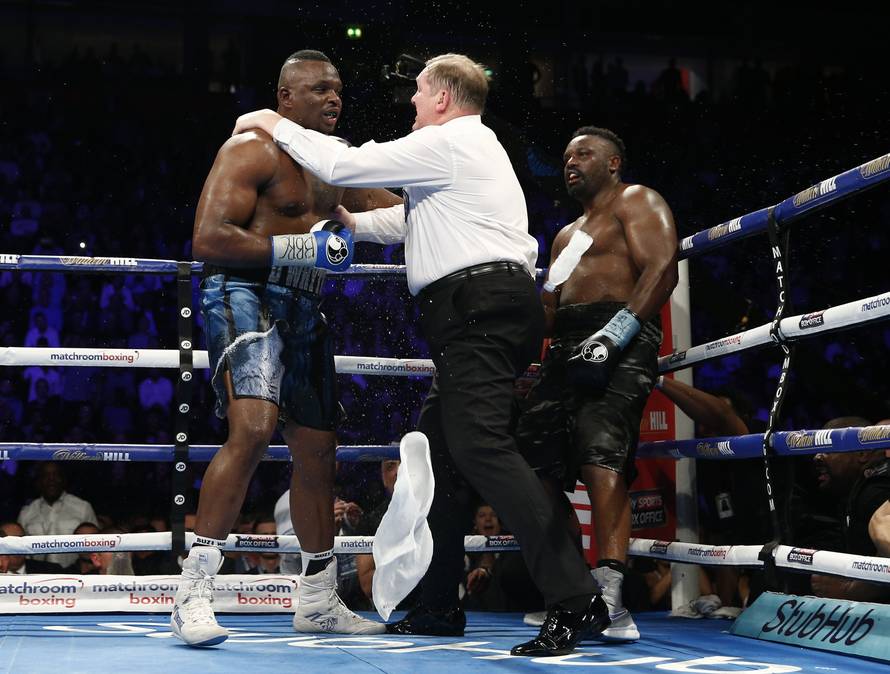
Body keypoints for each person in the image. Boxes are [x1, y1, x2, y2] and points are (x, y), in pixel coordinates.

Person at [233, 52, 608, 657]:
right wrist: (345, 220)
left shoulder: (453, 140)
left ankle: (576, 597)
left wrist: (268, 122)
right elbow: (414, 224)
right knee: (439, 456)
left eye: (417, 93)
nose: (410, 104)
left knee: (483, 448)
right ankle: (438, 603)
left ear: (442, 98)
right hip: (479, 311)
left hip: (480, 309)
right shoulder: (466, 155)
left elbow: (341, 160)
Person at [171, 49, 402, 648]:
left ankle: (319, 599)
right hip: (242, 292)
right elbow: (206, 237)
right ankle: (192, 589)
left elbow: (402, 210)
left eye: (340, 90)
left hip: (303, 304)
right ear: (286, 100)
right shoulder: (249, 150)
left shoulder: (336, 165)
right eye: (321, 89)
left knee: (319, 449)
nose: (334, 99)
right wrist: (298, 247)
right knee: (252, 428)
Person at [518, 126, 678, 642]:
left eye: (583, 154)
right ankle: (575, 592)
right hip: (563, 350)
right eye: (566, 156)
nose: (570, 162)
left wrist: (615, 335)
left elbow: (662, 267)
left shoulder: (636, 200)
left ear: (612, 163)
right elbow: (547, 309)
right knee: (533, 469)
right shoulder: (566, 234)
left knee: (600, 458)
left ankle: (610, 599)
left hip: (621, 337)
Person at [809, 417, 890, 602]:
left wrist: (849, 590)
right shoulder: (856, 492)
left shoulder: (874, 492)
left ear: (862, 453)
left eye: (828, 448)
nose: (817, 457)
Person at [18, 462, 98, 568]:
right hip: (37, 576)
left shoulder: (83, 508)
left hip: (75, 575)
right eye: (45, 475)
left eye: (56, 474)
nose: (51, 479)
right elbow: (20, 551)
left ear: (64, 479)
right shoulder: (26, 513)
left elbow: (96, 545)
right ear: (38, 481)